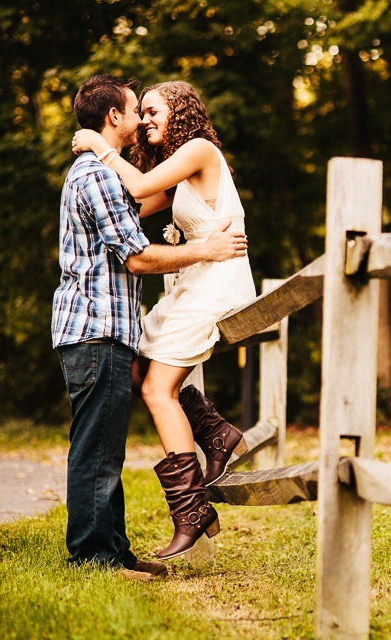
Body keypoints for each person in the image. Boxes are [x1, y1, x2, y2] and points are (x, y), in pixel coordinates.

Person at [53, 75, 249, 579]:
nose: (144, 118)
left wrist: (99, 146)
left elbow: (137, 190)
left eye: (154, 110)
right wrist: (98, 164)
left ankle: (191, 509)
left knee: (156, 388)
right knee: (142, 378)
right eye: (138, 110)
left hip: (213, 280)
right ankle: (217, 433)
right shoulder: (177, 175)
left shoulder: (200, 149)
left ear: (179, 110)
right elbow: (134, 208)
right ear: (116, 114)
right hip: (171, 290)